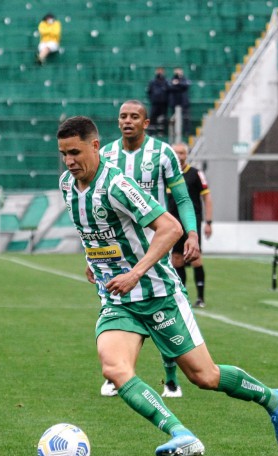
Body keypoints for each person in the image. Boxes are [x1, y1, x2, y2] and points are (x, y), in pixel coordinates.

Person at [56, 115, 278, 456]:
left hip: (158, 295)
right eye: (64, 154)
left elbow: (170, 228)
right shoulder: (67, 184)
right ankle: (180, 433)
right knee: (114, 368)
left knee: (205, 376)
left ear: (95, 146)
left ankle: (273, 398)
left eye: (75, 152)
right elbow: (93, 229)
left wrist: (135, 272)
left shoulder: (119, 184)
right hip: (119, 301)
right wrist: (94, 260)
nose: (70, 161)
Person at [98, 100, 200, 399]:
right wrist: (92, 256)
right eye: (123, 116)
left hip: (154, 243)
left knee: (160, 306)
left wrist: (191, 233)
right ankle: (118, 371)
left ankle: (170, 379)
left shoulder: (163, 153)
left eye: (134, 117)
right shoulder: (105, 155)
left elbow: (181, 198)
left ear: (145, 122)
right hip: (115, 245)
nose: (127, 121)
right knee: (113, 301)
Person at [168, 143, 213, 310]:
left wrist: (209, 222)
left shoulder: (196, 174)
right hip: (173, 223)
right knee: (177, 260)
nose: (179, 156)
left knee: (195, 258)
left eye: (182, 153)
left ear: (186, 155)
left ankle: (200, 297)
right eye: (175, 153)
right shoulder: (167, 174)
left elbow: (207, 198)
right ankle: (182, 296)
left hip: (191, 222)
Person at [146, 67, 170, 135]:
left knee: (163, 118)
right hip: (155, 103)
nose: (159, 72)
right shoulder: (152, 82)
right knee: (152, 117)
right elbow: (149, 92)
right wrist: (152, 99)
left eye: (161, 71)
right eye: (158, 71)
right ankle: (151, 133)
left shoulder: (166, 82)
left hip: (164, 104)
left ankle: (162, 132)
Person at [168, 67, 191, 136]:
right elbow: (170, 87)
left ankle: (186, 132)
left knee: (186, 117)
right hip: (174, 102)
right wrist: (178, 84)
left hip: (184, 102)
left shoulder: (185, 79)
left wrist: (178, 83)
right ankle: (175, 133)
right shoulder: (172, 79)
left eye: (179, 70)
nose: (178, 72)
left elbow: (186, 85)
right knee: (174, 119)